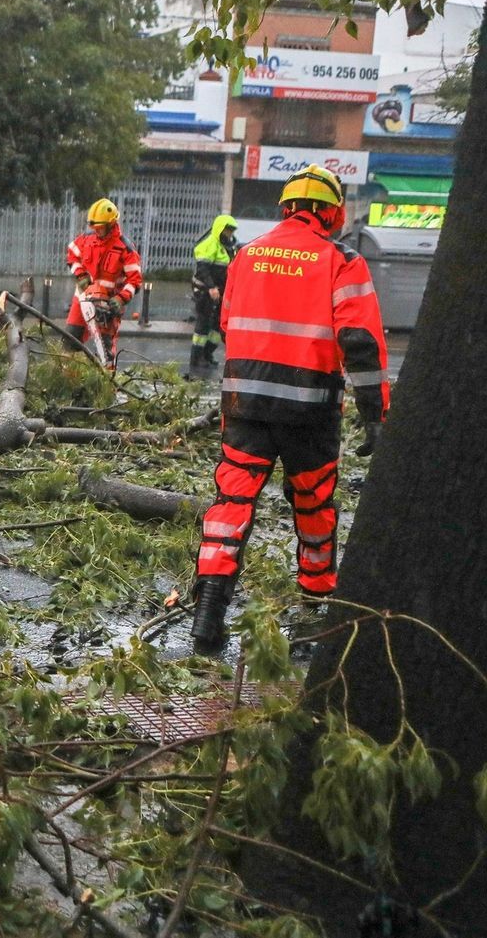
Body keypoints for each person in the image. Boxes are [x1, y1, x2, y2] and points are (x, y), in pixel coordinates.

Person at [188, 165, 390, 654]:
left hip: (245, 408)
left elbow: (230, 323)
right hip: (310, 412)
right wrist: (374, 416)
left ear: (285, 208)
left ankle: (208, 615)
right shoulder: (341, 261)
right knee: (315, 510)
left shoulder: (247, 256)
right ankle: (312, 618)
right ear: (331, 211)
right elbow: (360, 343)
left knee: (230, 505)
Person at [65, 198, 143, 370]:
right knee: (70, 340)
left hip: (107, 303)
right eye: (94, 228)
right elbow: (72, 255)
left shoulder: (125, 248)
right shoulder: (86, 239)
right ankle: (69, 380)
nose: (96, 231)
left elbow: (135, 280)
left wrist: (121, 299)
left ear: (111, 224)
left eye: (99, 228)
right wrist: (80, 274)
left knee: (105, 351)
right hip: (83, 298)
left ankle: (107, 386)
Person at [188, 214, 239, 377]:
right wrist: (211, 287)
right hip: (205, 290)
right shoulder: (209, 245)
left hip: (221, 291)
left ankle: (207, 354)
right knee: (203, 323)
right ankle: (196, 357)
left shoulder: (230, 247)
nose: (229, 234)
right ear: (220, 229)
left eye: (231, 231)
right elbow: (203, 270)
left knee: (217, 325)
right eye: (227, 230)